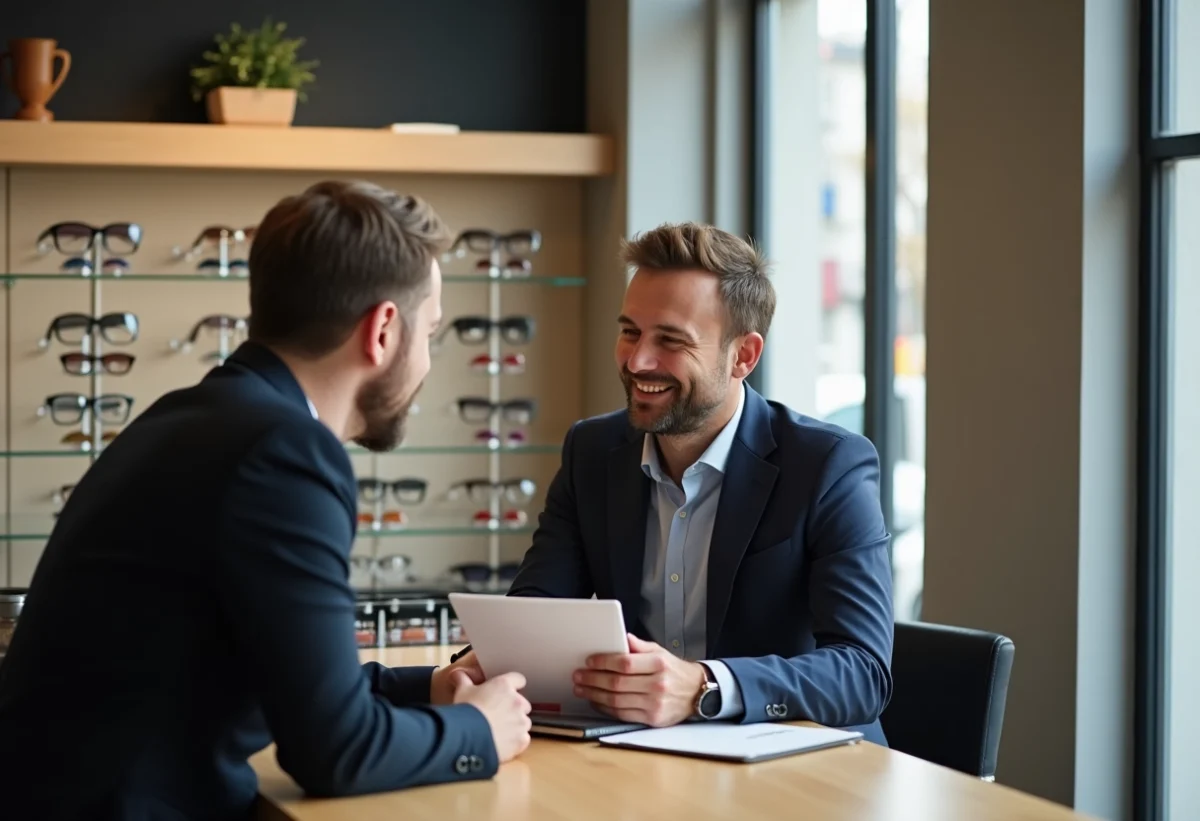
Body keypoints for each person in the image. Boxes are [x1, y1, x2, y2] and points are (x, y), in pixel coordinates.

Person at [0, 181, 532, 820]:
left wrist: (430, 689)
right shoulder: (286, 453)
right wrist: (482, 733)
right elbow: (337, 752)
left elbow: (288, 679)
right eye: (432, 332)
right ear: (384, 330)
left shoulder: (188, 416)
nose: (426, 361)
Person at [504, 221, 894, 744]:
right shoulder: (592, 452)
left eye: (671, 340)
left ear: (744, 356)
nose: (638, 360)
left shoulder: (829, 465)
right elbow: (535, 615)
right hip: (641, 757)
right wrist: (487, 666)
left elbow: (863, 673)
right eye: (630, 332)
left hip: (800, 771)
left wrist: (706, 687)